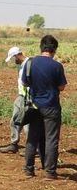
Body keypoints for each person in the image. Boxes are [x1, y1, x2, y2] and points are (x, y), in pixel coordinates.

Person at [22, 35, 68, 179]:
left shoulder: (30, 63)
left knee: (32, 138)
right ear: (54, 49)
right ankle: (49, 172)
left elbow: (24, 83)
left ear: (41, 47)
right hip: (51, 107)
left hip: (35, 106)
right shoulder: (57, 66)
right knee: (51, 139)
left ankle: (29, 169)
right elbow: (61, 87)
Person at [0, 47, 31, 154]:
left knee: (27, 124)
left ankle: (31, 147)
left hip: (28, 97)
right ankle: (14, 144)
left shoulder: (29, 64)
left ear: (17, 55)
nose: (14, 61)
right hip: (20, 96)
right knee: (14, 120)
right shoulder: (20, 66)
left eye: (13, 58)